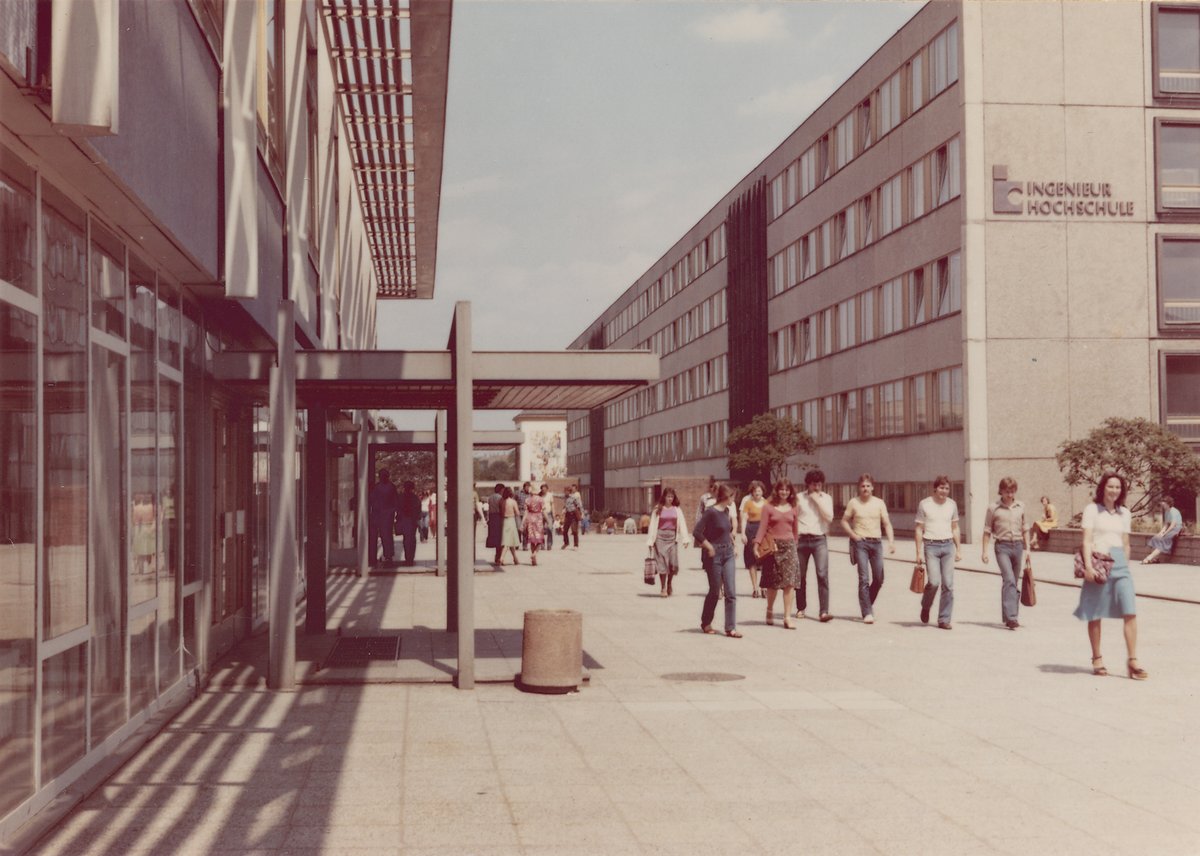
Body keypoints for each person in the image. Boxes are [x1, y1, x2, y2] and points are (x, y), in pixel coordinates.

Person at [1075, 472, 1148, 680]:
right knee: (1095, 611)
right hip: (1098, 560)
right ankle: (1097, 657)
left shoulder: (1125, 513)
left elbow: (1125, 542)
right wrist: (1089, 567)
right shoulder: (1092, 510)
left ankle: (1133, 660)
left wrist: (1125, 564)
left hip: (1120, 564)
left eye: (1117, 487)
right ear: (1103, 488)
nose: (1114, 491)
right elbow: (1087, 540)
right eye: (1110, 487)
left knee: (1130, 610)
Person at [841, 474, 895, 624]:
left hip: (876, 543)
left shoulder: (879, 503)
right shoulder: (854, 502)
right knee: (864, 578)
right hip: (861, 543)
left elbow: (887, 523)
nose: (865, 488)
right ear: (859, 488)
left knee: (879, 578)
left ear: (872, 487)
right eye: (863, 486)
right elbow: (844, 521)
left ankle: (867, 604)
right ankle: (867, 612)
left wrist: (891, 541)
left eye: (868, 486)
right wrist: (853, 535)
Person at [981, 476, 1030, 630]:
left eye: (1012, 491)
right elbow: (987, 530)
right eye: (1007, 491)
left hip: (1018, 546)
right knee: (1008, 579)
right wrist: (984, 551)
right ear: (1001, 491)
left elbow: (1025, 528)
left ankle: (1010, 616)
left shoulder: (1020, 506)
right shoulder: (993, 508)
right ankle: (1011, 617)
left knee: (1013, 582)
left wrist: (1028, 549)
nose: (1010, 495)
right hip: (1002, 547)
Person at [913, 475, 961, 630]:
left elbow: (955, 528)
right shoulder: (925, 504)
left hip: (948, 546)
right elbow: (919, 529)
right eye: (941, 488)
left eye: (947, 488)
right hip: (931, 546)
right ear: (935, 488)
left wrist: (959, 549)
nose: (944, 491)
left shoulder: (952, 505)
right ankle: (926, 606)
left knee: (948, 584)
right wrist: (918, 552)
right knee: (933, 582)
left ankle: (944, 619)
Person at [693, 483, 740, 637]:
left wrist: (735, 546)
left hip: (728, 553)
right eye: (733, 496)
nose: (735, 498)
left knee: (731, 592)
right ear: (726, 497)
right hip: (714, 555)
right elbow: (697, 532)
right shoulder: (711, 512)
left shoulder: (727, 511)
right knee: (714, 591)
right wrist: (709, 547)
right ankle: (706, 622)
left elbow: (727, 532)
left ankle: (730, 627)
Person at [755, 479, 801, 630]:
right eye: (782, 489)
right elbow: (762, 527)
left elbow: (795, 530)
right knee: (773, 583)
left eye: (787, 490)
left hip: (789, 546)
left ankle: (787, 617)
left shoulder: (794, 507)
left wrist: (795, 545)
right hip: (773, 547)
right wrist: (756, 544)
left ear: (791, 492)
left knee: (789, 583)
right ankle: (769, 610)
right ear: (777, 490)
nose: (784, 492)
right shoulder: (768, 507)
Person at [795, 470, 834, 622]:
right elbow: (794, 517)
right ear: (808, 484)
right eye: (813, 484)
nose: (816, 487)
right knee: (800, 575)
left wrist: (817, 501)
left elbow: (829, 518)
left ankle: (823, 611)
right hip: (802, 539)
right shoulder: (799, 498)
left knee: (822, 574)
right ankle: (800, 607)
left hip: (819, 539)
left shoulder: (826, 498)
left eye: (819, 484)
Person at [646, 487, 691, 597]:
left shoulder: (677, 510)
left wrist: (685, 539)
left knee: (673, 564)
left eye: (672, 497)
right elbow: (652, 525)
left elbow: (682, 524)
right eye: (668, 496)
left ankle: (669, 583)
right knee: (661, 564)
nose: (670, 499)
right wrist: (650, 541)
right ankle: (663, 588)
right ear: (664, 497)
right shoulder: (658, 509)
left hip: (672, 538)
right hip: (660, 538)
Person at [739, 480, 767, 598]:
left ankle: (764, 587)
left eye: (759, 491)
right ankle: (755, 587)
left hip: (764, 530)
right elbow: (744, 518)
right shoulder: (748, 503)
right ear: (752, 492)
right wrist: (743, 533)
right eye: (755, 491)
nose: (757, 493)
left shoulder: (766, 503)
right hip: (751, 530)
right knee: (752, 560)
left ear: (762, 492)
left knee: (765, 560)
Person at [368, 469, 400, 567]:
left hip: (386, 514)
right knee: (378, 536)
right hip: (378, 514)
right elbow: (372, 500)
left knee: (386, 536)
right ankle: (375, 557)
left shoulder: (389, 487)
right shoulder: (378, 487)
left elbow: (395, 501)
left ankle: (388, 556)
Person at [1143, 497, 1183, 565]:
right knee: (1156, 538)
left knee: (1163, 540)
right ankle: (1156, 558)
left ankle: (1149, 558)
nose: (1163, 506)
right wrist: (1160, 533)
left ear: (1168, 504)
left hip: (1176, 529)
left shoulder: (1173, 511)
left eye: (1164, 504)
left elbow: (1173, 525)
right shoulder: (1167, 512)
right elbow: (1166, 525)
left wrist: (1164, 534)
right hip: (1169, 528)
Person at [396, 480, 421, 566]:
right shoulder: (415, 498)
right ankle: (411, 557)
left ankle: (408, 557)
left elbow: (398, 508)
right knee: (412, 539)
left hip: (405, 519)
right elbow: (418, 510)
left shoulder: (401, 497)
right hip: (412, 520)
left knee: (406, 539)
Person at [523, 486, 546, 565]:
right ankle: (534, 554)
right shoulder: (541, 499)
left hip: (530, 519)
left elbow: (525, 512)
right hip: (538, 519)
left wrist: (523, 522)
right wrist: (548, 520)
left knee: (532, 540)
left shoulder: (527, 500)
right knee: (540, 539)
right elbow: (544, 511)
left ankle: (533, 560)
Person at [500, 485, 521, 566]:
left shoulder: (502, 501)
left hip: (504, 521)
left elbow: (501, 512)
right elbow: (517, 513)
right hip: (511, 521)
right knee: (507, 542)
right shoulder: (513, 502)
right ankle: (501, 558)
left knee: (509, 540)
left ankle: (515, 559)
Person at [486, 483, 505, 564]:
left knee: (494, 537)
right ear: (501, 490)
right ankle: (498, 556)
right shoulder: (501, 498)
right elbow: (502, 509)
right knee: (500, 538)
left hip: (492, 517)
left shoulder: (490, 497)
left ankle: (497, 556)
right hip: (498, 517)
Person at [561, 485, 582, 549]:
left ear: (569, 492)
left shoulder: (574, 497)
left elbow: (579, 505)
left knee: (574, 531)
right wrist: (552, 494)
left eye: (566, 491)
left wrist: (581, 514)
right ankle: (566, 543)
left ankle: (576, 545)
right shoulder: (565, 497)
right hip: (567, 515)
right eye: (564, 491)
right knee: (565, 530)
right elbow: (558, 495)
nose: (565, 493)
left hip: (573, 515)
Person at [516, 482, 531, 550]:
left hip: (526, 513)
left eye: (529, 487)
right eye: (527, 487)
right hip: (518, 512)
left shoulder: (530, 495)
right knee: (518, 528)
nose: (528, 488)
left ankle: (525, 545)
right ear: (524, 487)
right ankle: (517, 542)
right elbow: (514, 500)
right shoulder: (518, 493)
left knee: (525, 530)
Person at [540, 485, 555, 550]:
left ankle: (549, 544)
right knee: (541, 530)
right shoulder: (539, 495)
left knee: (549, 528)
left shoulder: (550, 495)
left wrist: (553, 514)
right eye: (542, 489)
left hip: (549, 514)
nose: (544, 490)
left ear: (547, 489)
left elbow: (552, 505)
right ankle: (542, 544)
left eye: (545, 489)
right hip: (541, 514)